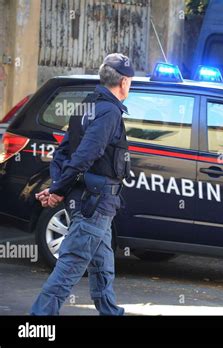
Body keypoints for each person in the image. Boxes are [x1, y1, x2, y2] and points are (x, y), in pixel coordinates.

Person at [31, 53, 134, 316]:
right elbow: (84, 156)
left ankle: (110, 313)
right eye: (130, 81)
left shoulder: (87, 106)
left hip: (92, 202)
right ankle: (37, 322)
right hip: (95, 204)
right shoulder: (109, 112)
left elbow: (62, 154)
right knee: (71, 266)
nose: (130, 86)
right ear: (123, 82)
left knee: (102, 265)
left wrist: (57, 188)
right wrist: (57, 190)